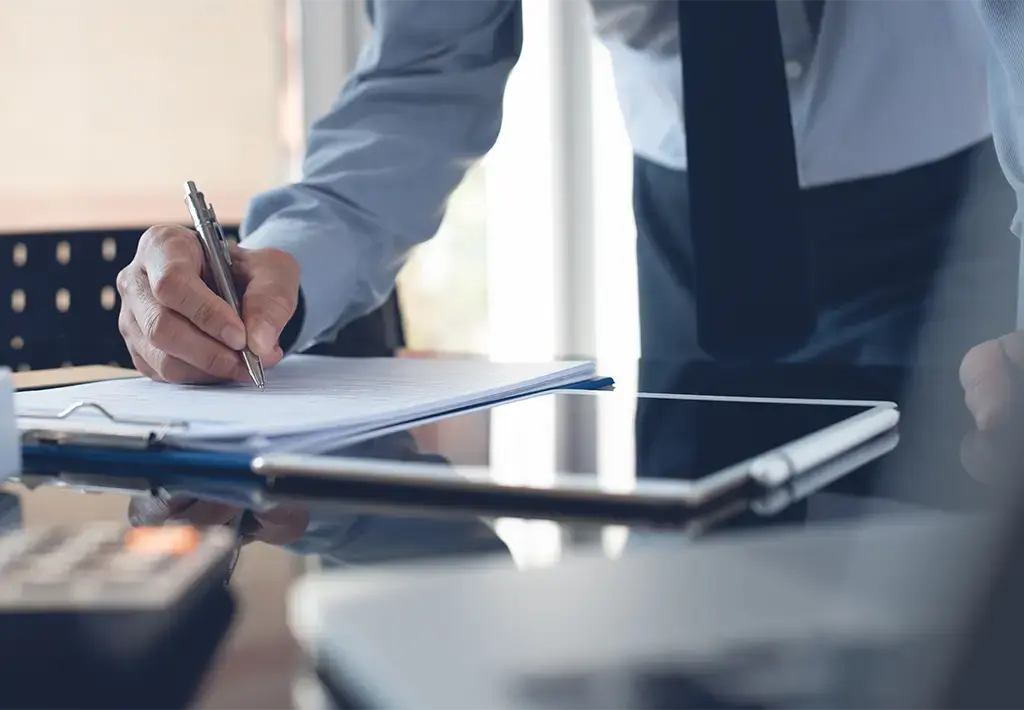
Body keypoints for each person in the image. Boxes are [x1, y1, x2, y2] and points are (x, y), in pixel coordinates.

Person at [117, 0, 1024, 427]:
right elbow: (428, 65)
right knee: (692, 610)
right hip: (697, 233)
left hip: (977, 213)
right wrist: (283, 260)